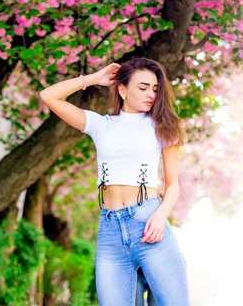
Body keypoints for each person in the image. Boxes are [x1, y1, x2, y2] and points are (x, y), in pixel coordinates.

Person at [39, 57, 190, 306]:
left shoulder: (163, 127)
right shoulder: (101, 125)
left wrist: (161, 215)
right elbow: (49, 96)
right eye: (142, 87)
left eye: (154, 88)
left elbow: (173, 184)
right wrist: (93, 79)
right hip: (110, 230)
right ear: (122, 89)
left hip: (148, 223)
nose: (150, 94)